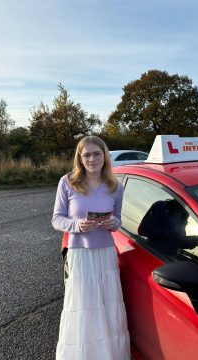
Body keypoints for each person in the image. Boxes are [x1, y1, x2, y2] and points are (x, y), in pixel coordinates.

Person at [51, 135, 130, 360]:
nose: (92, 159)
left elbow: (118, 221)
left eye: (97, 154)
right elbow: (57, 219)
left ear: (104, 156)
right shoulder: (67, 182)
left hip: (105, 254)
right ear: (80, 158)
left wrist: (112, 223)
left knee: (106, 306)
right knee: (83, 307)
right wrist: (76, 225)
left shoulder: (115, 186)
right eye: (87, 155)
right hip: (80, 254)